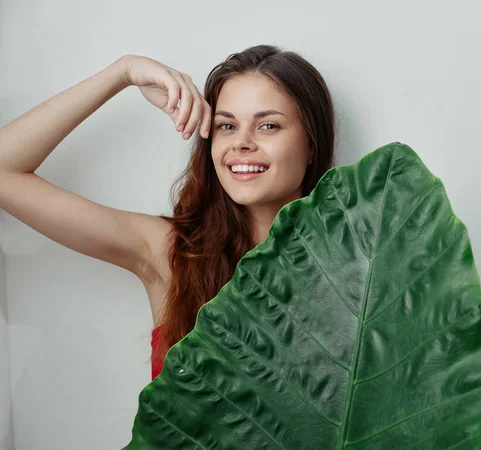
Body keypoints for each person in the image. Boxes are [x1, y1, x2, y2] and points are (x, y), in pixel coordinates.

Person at [0, 45, 336, 380]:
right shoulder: (176, 253)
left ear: (312, 145)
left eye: (268, 126)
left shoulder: (358, 267)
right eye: (227, 126)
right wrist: (123, 72)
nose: (241, 143)